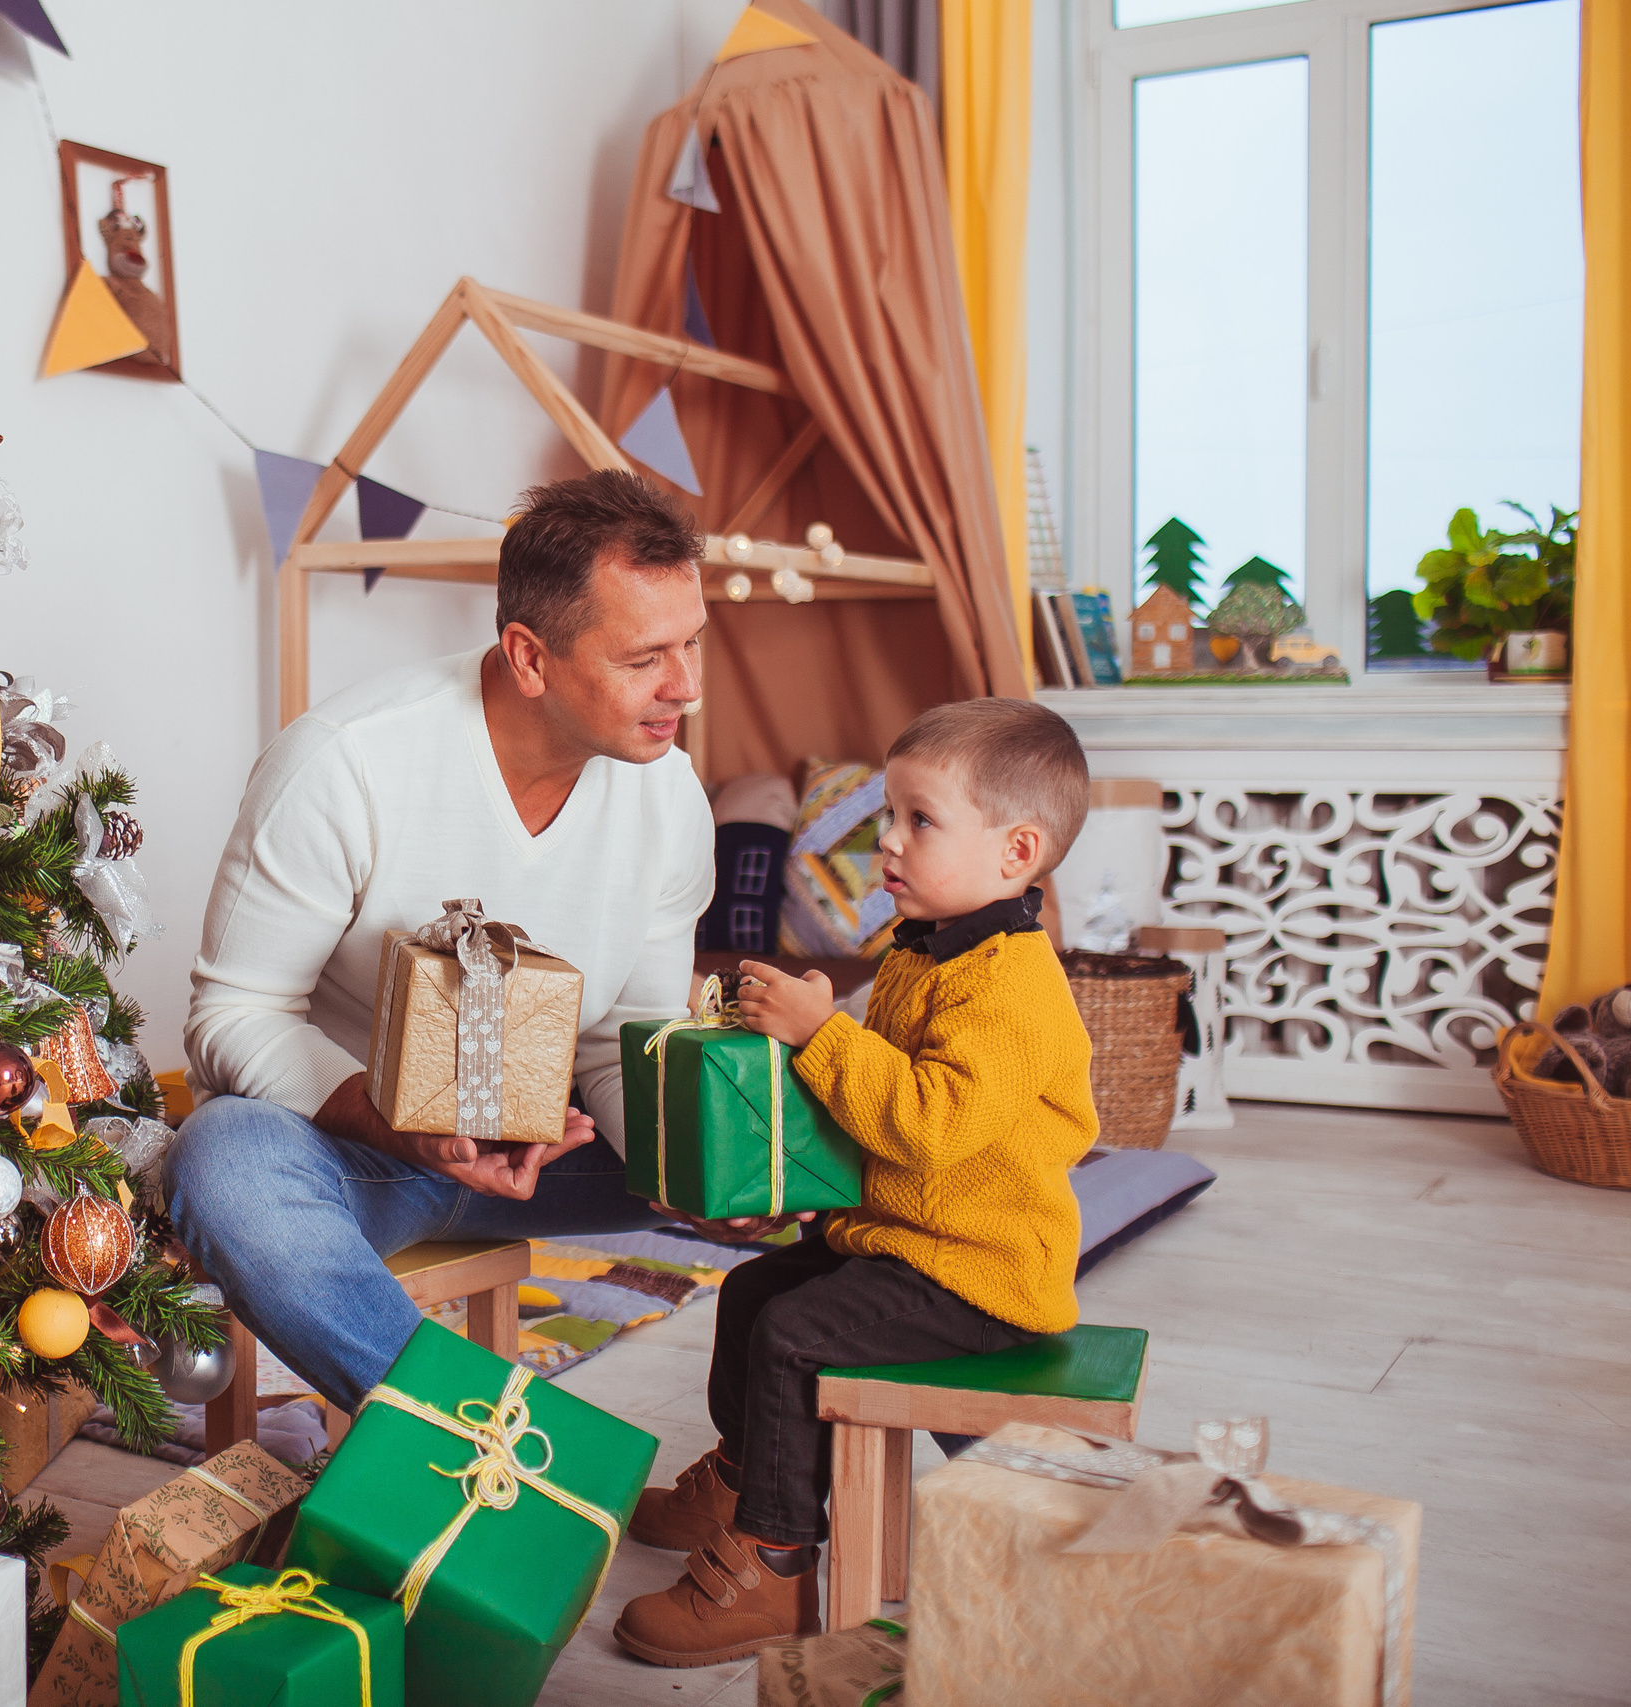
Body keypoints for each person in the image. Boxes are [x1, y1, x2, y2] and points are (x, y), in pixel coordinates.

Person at [167, 470, 716, 1412]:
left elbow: (625, 1045)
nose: (687, 689)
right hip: (369, 1152)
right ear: (529, 656)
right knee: (221, 1157)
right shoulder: (345, 762)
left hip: (559, 1149)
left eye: (694, 645)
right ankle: (482, 1445)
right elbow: (233, 1014)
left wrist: (700, 1162)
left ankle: (767, 1504)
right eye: (645, 659)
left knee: (827, 1145)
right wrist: (403, 1126)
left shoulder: (668, 793)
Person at [613, 698, 1099, 1667]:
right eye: (888, 816)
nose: (887, 842)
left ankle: (778, 1563)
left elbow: (926, 1124)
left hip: (980, 1271)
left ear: (1016, 853)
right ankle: (749, 1475)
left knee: (799, 1338)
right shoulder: (927, 951)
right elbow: (865, 1099)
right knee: (754, 1290)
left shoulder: (1011, 986)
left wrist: (822, 1033)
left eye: (920, 821)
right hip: (901, 1241)